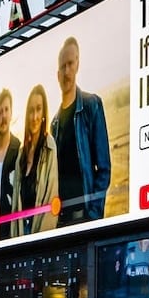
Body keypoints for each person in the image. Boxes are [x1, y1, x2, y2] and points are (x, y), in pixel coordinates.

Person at [51, 36, 111, 226]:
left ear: (78, 64)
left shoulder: (91, 105)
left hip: (84, 218)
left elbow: (104, 168)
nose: (67, 71)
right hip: (60, 222)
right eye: (63, 66)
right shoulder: (54, 123)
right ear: (57, 74)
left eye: (70, 64)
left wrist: (92, 216)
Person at [12, 84, 59, 237]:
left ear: (44, 112)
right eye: (31, 110)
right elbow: (15, 207)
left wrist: (41, 242)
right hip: (21, 234)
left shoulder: (49, 147)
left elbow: (51, 199)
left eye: (38, 109)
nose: (34, 116)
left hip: (41, 234)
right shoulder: (21, 154)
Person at [0, 89, 20, 239]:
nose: (3, 116)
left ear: (11, 113)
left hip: (11, 228)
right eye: (0, 112)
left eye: (6, 110)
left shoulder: (19, 149)